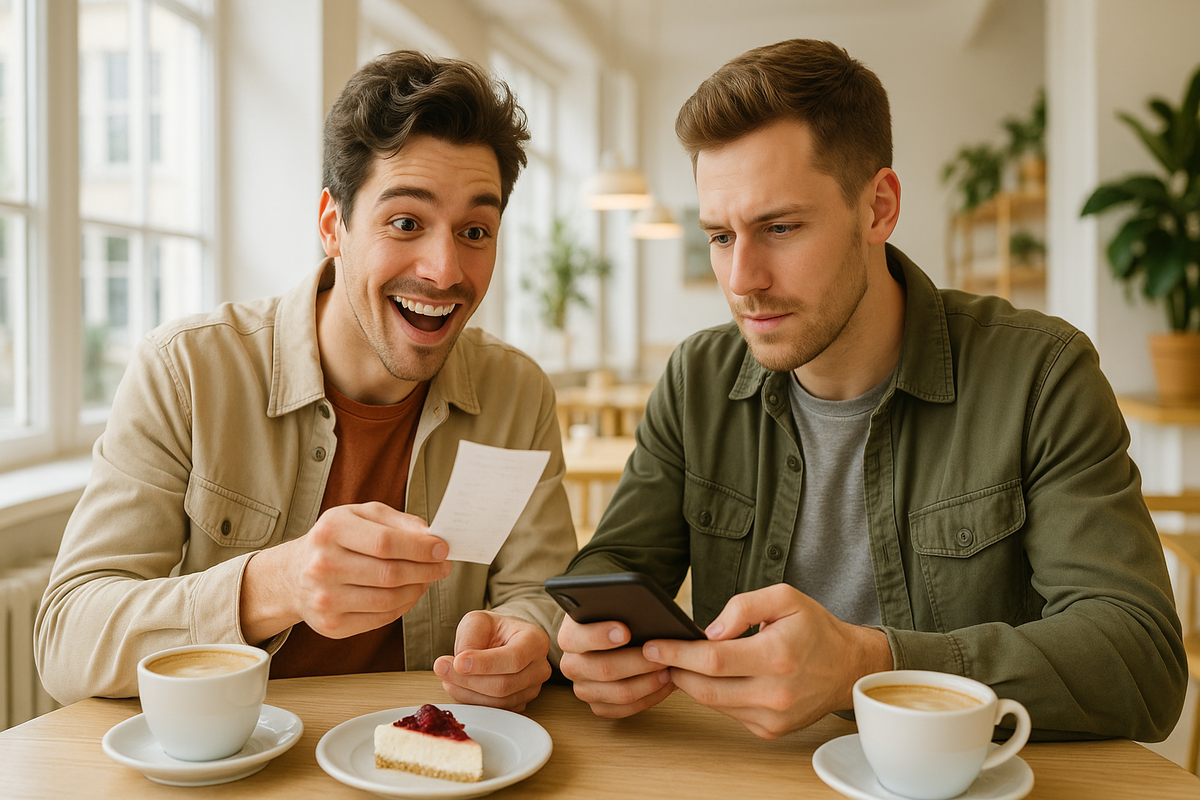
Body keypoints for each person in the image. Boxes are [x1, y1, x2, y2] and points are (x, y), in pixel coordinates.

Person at [556, 39, 1186, 742]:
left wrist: (873, 665)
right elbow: (614, 568)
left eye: (780, 227)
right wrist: (589, 643)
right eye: (720, 236)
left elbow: (1141, 660)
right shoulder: (696, 380)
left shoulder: (1040, 376)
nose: (741, 280)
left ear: (878, 208)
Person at [36, 51, 577, 710]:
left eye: (475, 231)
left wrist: (527, 640)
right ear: (333, 225)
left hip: (437, 761)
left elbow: (541, 595)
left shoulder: (517, 394)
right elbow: (67, 640)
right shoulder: (186, 373)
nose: (444, 269)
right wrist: (276, 585)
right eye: (405, 223)